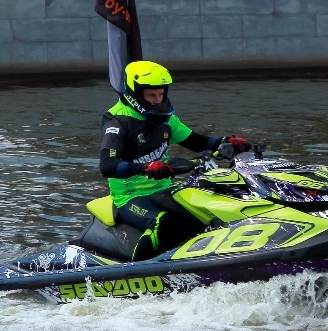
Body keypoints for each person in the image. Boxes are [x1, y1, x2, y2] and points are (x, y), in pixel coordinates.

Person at [98, 61, 251, 261]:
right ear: (134, 94)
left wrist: (225, 142)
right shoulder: (117, 122)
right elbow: (107, 166)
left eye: (161, 94)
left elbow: (198, 141)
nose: (157, 100)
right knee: (165, 221)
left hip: (164, 191)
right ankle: (136, 272)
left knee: (204, 214)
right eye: (151, 95)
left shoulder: (166, 119)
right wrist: (145, 168)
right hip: (130, 197)